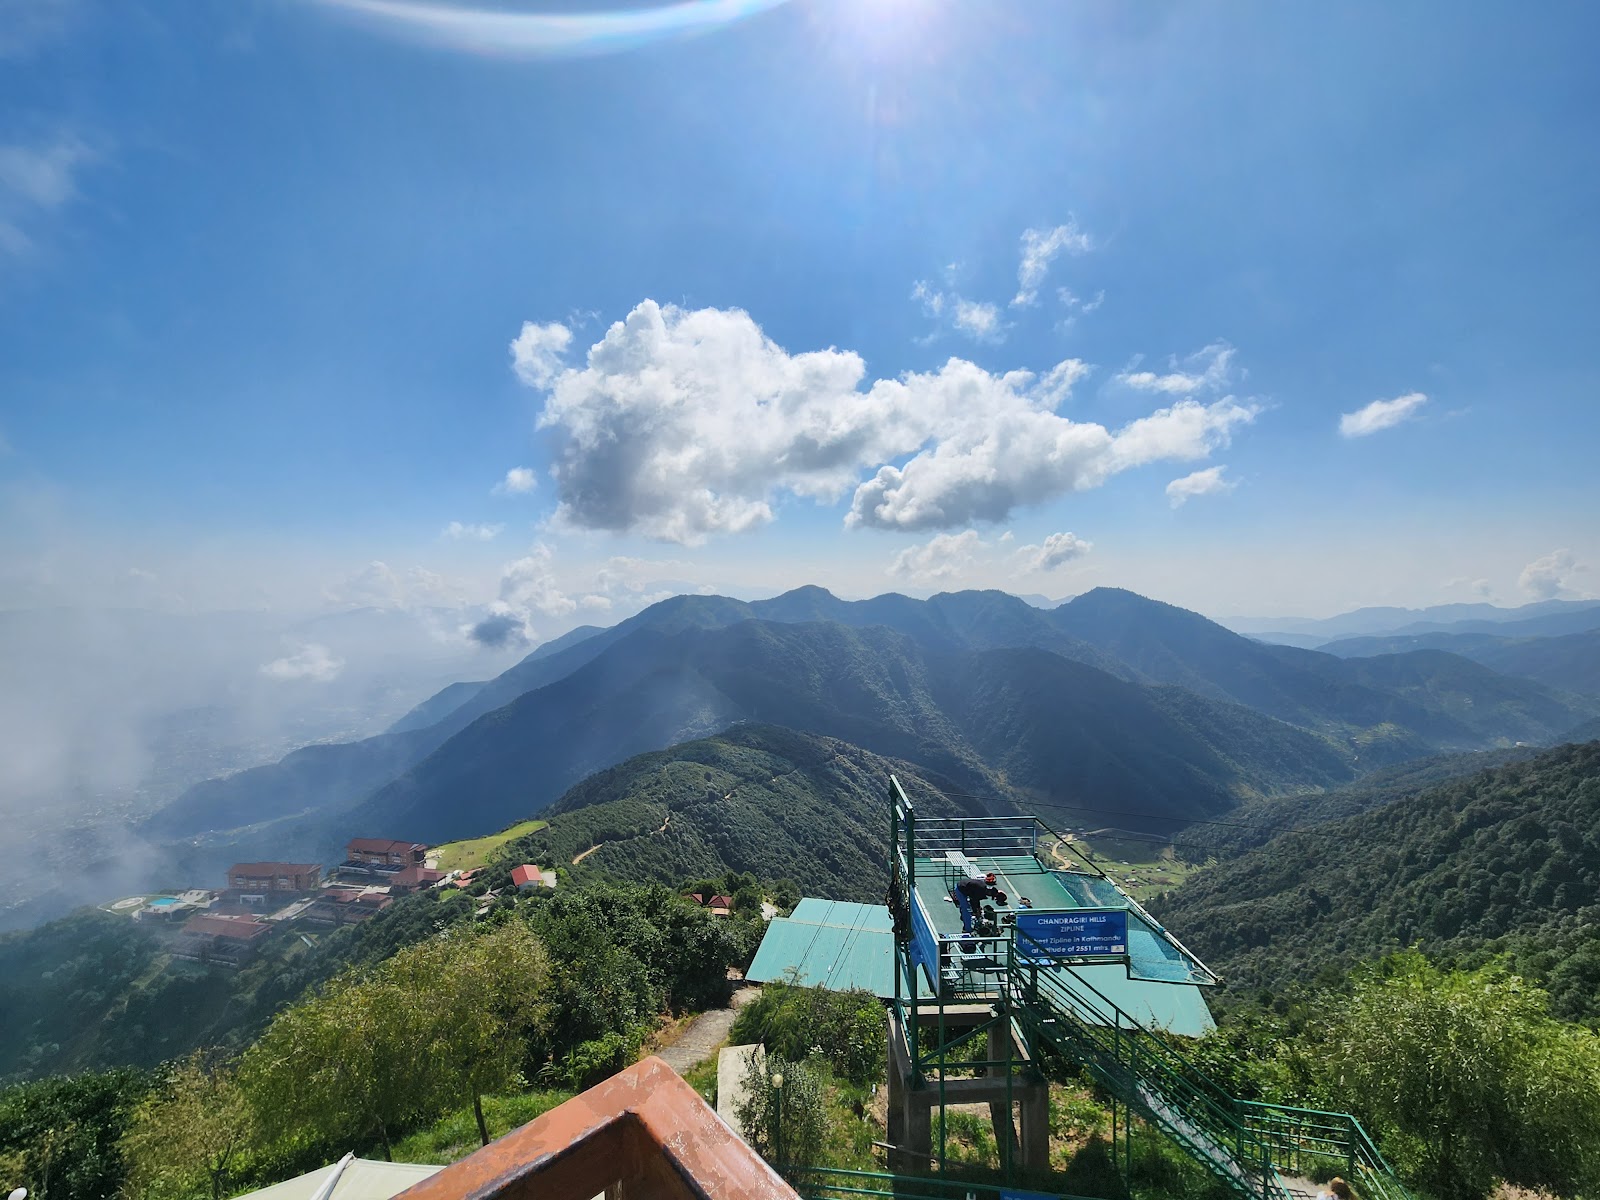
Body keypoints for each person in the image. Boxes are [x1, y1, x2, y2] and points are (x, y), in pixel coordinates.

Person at [951, 871, 1007, 938]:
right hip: (960, 889)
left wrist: (977, 909)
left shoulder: (986, 889)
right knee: (966, 910)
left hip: (967, 889)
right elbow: (974, 900)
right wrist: (976, 911)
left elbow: (976, 899)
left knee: (971, 908)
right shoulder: (981, 890)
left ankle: (964, 917)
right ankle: (967, 929)